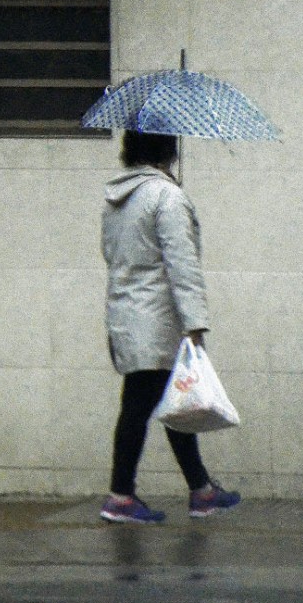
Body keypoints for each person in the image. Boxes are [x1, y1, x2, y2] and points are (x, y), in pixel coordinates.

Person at [98, 130, 241, 524]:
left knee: (175, 403)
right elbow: (183, 264)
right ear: (168, 151)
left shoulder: (116, 200)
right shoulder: (167, 197)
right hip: (159, 320)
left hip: (127, 318)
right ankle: (122, 495)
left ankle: (201, 491)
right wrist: (194, 322)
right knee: (150, 406)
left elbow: (112, 256)